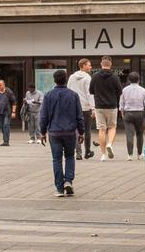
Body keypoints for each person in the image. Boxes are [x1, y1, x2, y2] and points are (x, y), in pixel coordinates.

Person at [40, 69, 85, 197]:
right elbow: (79, 116)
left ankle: (59, 189)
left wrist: (42, 132)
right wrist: (81, 132)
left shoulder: (48, 95)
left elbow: (43, 116)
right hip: (70, 132)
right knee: (70, 157)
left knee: (56, 159)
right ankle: (69, 181)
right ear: (66, 79)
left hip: (54, 132)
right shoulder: (73, 95)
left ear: (54, 80)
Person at [91, 56, 123, 160]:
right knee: (112, 127)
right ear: (110, 65)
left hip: (99, 106)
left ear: (101, 64)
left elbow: (91, 90)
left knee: (101, 129)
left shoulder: (95, 76)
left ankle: (103, 154)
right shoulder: (114, 77)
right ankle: (109, 144)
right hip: (112, 105)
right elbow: (120, 91)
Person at [119, 70, 145, 158]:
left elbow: (121, 103)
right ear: (138, 80)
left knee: (129, 134)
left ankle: (130, 155)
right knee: (140, 134)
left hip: (128, 113)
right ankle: (140, 153)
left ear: (129, 80)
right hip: (139, 113)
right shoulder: (143, 90)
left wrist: (122, 113)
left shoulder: (124, 90)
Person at [74, 59, 95, 158]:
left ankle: (78, 153)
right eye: (89, 65)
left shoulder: (72, 77)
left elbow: (69, 92)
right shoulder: (87, 78)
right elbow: (89, 94)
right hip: (86, 108)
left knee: (76, 130)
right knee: (87, 130)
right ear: (83, 66)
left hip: (74, 108)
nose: (91, 67)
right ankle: (87, 152)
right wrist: (93, 108)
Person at [0, 78, 15, 146]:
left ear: (4, 85)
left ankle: (6, 141)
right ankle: (4, 140)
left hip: (7, 112)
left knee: (6, 125)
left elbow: (14, 102)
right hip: (0, 112)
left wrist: (13, 112)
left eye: (0, 85)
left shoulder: (9, 92)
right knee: (2, 127)